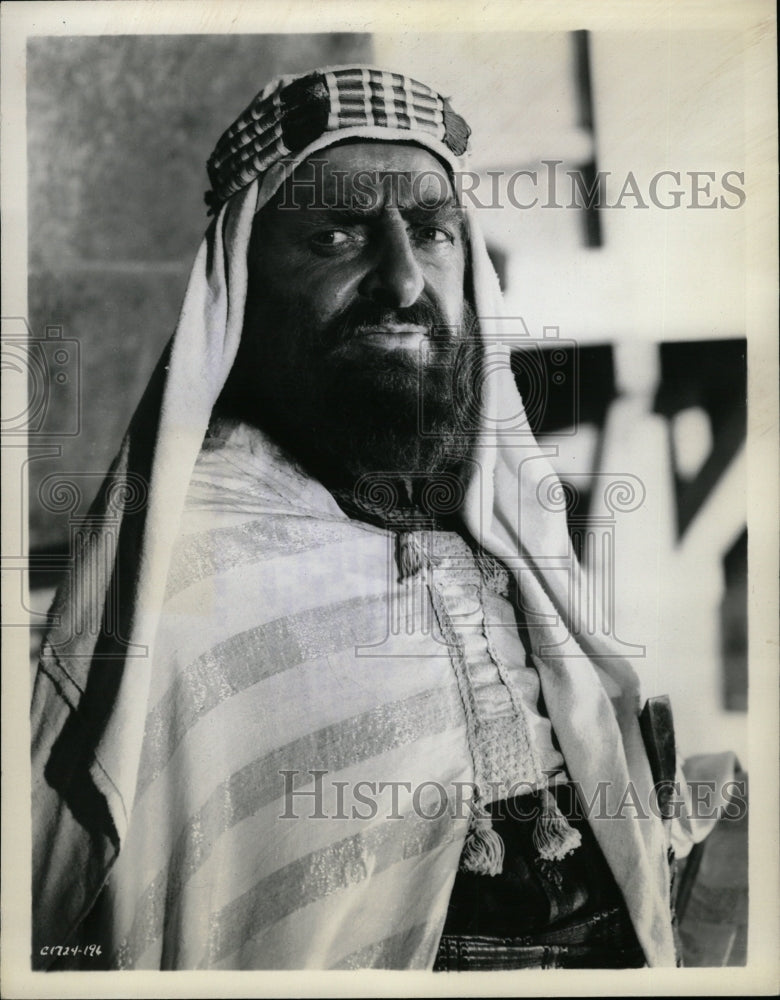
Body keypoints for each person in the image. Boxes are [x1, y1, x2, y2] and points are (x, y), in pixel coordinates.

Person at [30, 65, 720, 971]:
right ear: (242, 283)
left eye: (431, 233)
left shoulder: (508, 525)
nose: (401, 278)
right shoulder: (180, 581)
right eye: (336, 234)